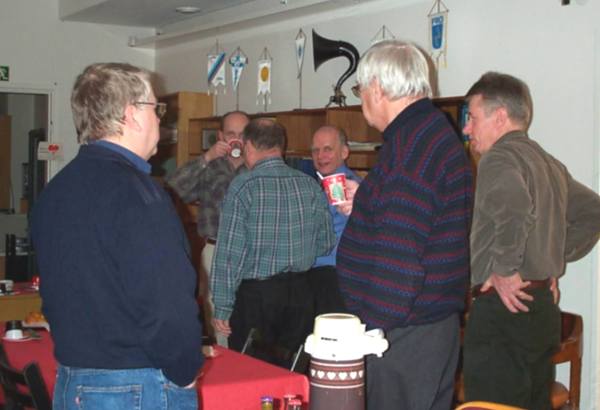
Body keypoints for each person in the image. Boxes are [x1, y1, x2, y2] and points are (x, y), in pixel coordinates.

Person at [30, 63, 203, 409]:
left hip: (72, 381)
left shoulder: (55, 191)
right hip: (134, 387)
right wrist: (185, 372)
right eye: (157, 109)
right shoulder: (139, 194)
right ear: (132, 115)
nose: (160, 120)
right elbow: (166, 304)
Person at [336, 40, 473, 409]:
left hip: (404, 334)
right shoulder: (430, 133)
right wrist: (367, 201)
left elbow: (401, 260)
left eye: (359, 90)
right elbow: (420, 222)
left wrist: (371, 329)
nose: (361, 100)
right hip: (430, 325)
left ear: (377, 88)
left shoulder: (410, 150)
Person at [462, 72, 600, 409]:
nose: (466, 129)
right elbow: (594, 212)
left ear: (500, 117)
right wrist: (551, 256)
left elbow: (514, 208)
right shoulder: (549, 164)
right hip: (541, 310)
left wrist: (506, 269)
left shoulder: (498, 158)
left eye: (473, 118)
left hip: (503, 312)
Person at [210, 118, 335, 362]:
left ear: (248, 146)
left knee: (252, 371)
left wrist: (222, 306)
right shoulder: (309, 184)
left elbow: (229, 254)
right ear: (281, 146)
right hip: (301, 294)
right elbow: (326, 243)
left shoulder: (243, 186)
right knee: (291, 370)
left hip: (256, 298)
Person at [167, 110, 249, 345]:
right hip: (215, 249)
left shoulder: (257, 166)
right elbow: (173, 189)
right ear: (221, 136)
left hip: (249, 252)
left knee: (246, 312)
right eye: (231, 134)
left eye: (242, 134)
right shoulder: (210, 167)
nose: (237, 140)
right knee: (216, 316)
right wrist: (207, 157)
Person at [309, 125, 361, 314]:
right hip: (331, 274)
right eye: (315, 150)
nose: (320, 156)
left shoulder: (340, 185)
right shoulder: (325, 183)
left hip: (333, 275)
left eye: (327, 149)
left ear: (344, 152)